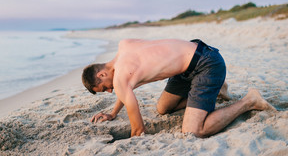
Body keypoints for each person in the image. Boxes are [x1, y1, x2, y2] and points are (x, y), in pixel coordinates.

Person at [82, 38, 276, 138]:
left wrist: (135, 139)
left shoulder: (120, 79)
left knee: (194, 131)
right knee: (162, 109)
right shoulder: (124, 46)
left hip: (206, 64)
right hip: (191, 59)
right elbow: (126, 88)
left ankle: (250, 100)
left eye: (104, 88)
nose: (110, 91)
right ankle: (217, 90)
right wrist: (114, 113)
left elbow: (138, 129)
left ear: (101, 75)